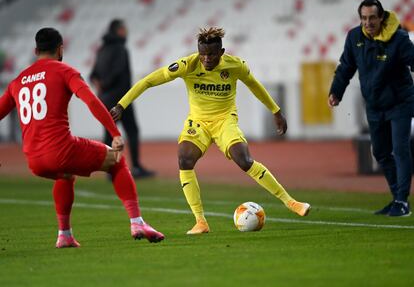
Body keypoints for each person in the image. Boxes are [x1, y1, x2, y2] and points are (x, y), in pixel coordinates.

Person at [111, 27, 311, 235]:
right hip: (198, 123)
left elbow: (254, 85)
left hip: (225, 120)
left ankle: (291, 203)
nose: (206, 59)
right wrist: (121, 105)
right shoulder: (187, 65)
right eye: (203, 54)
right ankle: (201, 222)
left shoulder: (235, 66)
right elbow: (148, 81)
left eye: (212, 54)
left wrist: (276, 111)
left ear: (221, 52)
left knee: (244, 160)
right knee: (184, 160)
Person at [0, 27, 164, 248]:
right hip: (61, 149)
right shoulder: (64, 71)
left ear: (36, 50)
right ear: (60, 49)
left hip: (34, 161)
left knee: (65, 175)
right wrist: (115, 134)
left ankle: (64, 235)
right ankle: (137, 222)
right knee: (117, 160)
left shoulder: (17, 81)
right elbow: (92, 102)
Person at [328, 0, 414, 217]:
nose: (368, 22)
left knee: (401, 148)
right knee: (381, 152)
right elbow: (346, 66)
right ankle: (397, 198)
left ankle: (403, 201)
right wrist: (336, 91)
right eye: (364, 18)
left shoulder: (399, 39)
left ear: (381, 17)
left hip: (401, 102)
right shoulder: (354, 37)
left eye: (372, 18)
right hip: (375, 106)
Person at [90, 19, 155, 178]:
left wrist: (101, 87)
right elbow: (118, 72)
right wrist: (107, 85)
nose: (126, 31)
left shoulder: (101, 50)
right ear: (118, 30)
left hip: (104, 99)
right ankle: (137, 168)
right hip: (121, 100)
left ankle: (109, 169)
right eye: (124, 29)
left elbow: (93, 75)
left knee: (109, 134)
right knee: (132, 131)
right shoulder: (120, 49)